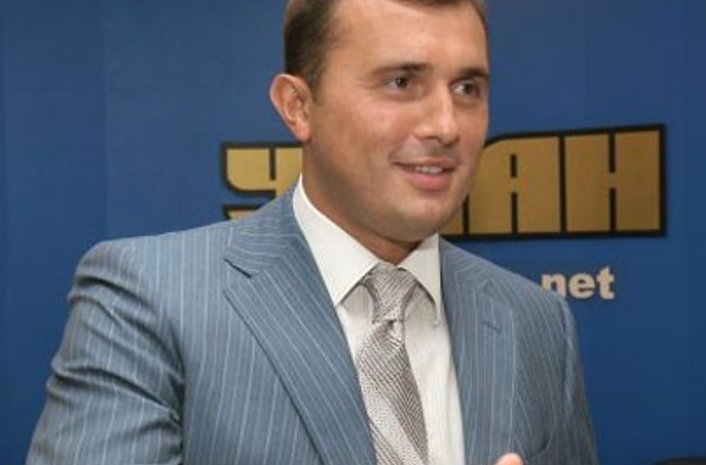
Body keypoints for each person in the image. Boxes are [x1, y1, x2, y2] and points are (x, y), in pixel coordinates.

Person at [27, 0, 598, 464]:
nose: (446, 125)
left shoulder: (538, 323)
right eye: (401, 82)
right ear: (297, 107)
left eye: (467, 88)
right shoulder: (149, 301)